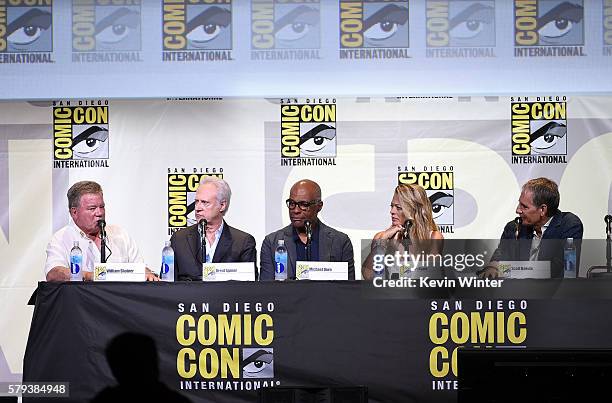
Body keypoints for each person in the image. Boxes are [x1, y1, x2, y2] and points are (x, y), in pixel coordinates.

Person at [44, 181, 155, 281]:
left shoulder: (120, 234)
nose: (99, 213)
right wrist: (89, 276)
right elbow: (53, 273)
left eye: (102, 207)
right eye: (92, 208)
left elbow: (140, 267)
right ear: (74, 212)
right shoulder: (60, 238)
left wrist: (146, 272)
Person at [481, 177, 583, 279]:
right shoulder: (514, 227)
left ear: (542, 209)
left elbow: (564, 270)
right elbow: (501, 256)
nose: (517, 210)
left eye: (524, 206)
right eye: (519, 203)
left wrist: (508, 269)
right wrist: (493, 266)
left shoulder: (569, 226)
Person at [260, 179, 355, 280]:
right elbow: (267, 289)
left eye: (304, 205)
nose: (296, 210)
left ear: (319, 206)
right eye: (292, 203)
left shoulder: (340, 242)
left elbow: (348, 289)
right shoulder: (271, 243)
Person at [170, 177, 257, 280]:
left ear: (222, 205)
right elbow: (168, 283)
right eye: (196, 202)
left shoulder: (243, 242)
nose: (198, 208)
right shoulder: (179, 239)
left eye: (205, 202)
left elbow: (249, 288)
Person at [362, 184, 444, 280]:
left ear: (414, 210)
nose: (392, 211)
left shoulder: (433, 237)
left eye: (398, 208)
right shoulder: (381, 236)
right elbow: (368, 276)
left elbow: (430, 276)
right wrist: (381, 243)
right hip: (389, 293)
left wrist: (402, 252)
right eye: (391, 206)